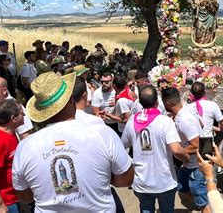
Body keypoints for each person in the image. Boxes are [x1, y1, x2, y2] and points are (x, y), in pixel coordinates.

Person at [12, 72, 134, 211]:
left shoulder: (25, 147)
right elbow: (126, 178)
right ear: (70, 100)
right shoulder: (101, 133)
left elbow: (25, 196)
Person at [122, 85, 189, 212]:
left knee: (146, 209)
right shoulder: (165, 121)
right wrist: (186, 157)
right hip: (164, 181)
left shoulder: (131, 121)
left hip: (142, 180)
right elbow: (176, 149)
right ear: (157, 102)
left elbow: (122, 146)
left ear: (140, 102)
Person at [161, 87, 209, 213]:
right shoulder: (182, 114)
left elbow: (196, 145)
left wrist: (177, 152)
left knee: (202, 202)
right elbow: (202, 124)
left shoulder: (184, 119)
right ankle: (203, 205)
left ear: (167, 103)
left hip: (195, 166)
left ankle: (206, 207)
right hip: (187, 164)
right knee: (181, 188)